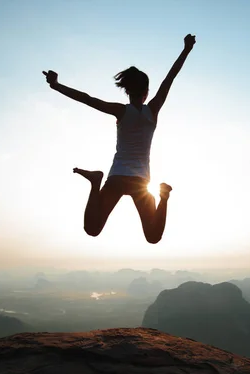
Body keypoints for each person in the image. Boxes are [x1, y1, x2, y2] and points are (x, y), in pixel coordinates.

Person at [43, 34, 196, 244]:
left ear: (127, 91)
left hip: (117, 177)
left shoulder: (120, 111)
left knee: (92, 229)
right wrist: (187, 49)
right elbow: (170, 78)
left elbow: (87, 99)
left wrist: (56, 85)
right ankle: (164, 197)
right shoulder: (153, 109)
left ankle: (95, 182)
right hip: (141, 181)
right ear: (146, 92)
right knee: (153, 237)